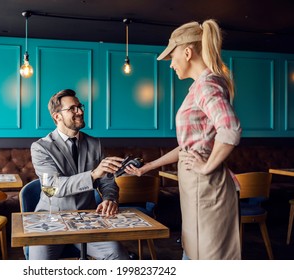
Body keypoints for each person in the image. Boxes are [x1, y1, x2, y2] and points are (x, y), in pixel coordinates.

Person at [126, 19, 242, 260]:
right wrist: (148, 167)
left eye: (172, 57)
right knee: (194, 252)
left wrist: (207, 166)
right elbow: (188, 147)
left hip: (206, 183)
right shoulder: (200, 86)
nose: (171, 65)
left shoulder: (207, 85)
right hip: (198, 184)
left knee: (208, 258)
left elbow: (230, 128)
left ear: (188, 52)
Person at [29, 89, 130, 260]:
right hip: (50, 220)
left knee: (118, 254)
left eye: (80, 107)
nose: (80, 112)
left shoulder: (95, 144)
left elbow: (107, 181)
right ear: (57, 117)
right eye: (73, 108)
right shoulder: (41, 148)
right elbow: (53, 187)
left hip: (87, 220)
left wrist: (110, 199)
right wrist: (93, 174)